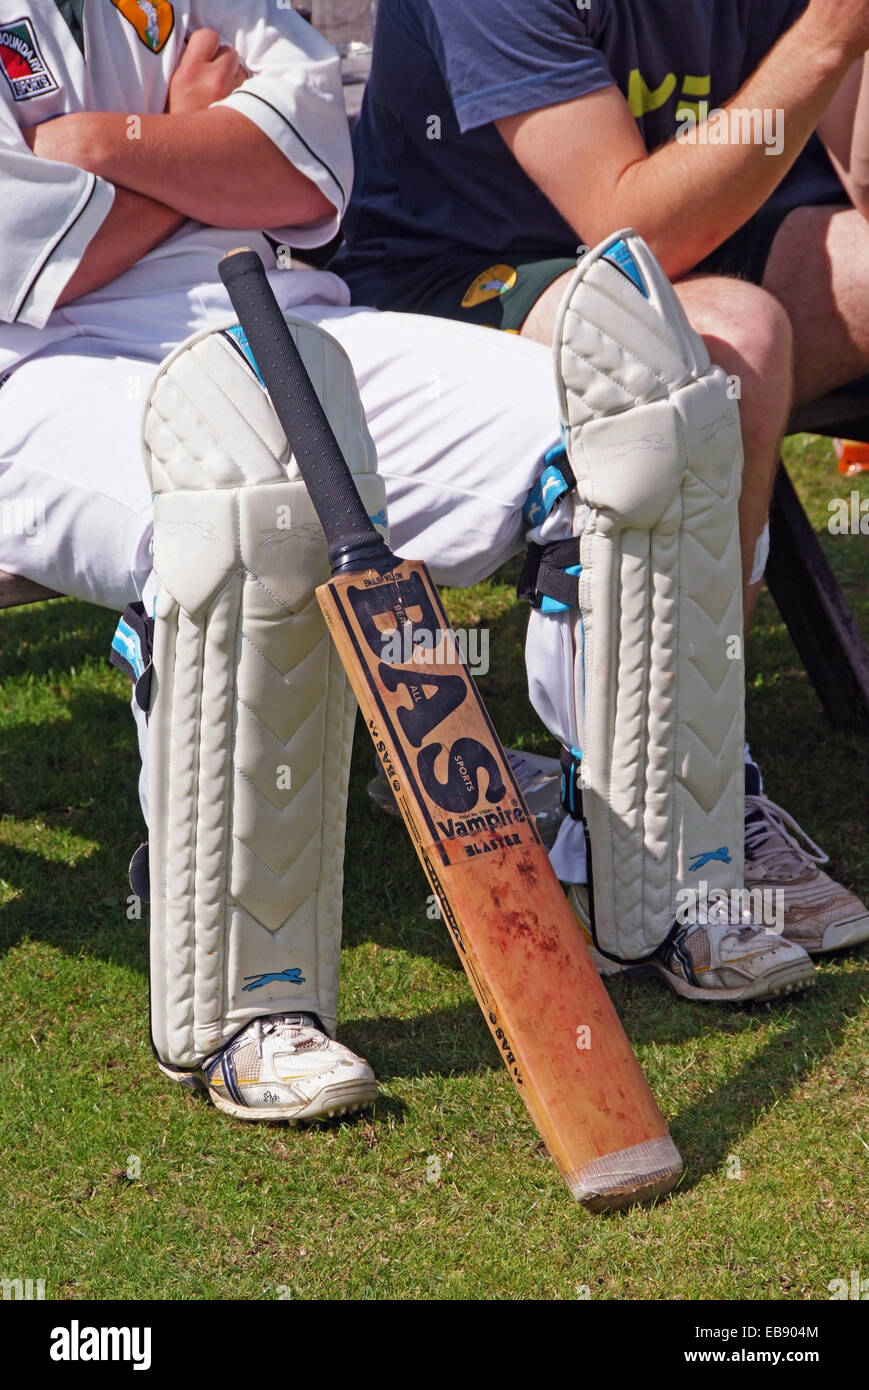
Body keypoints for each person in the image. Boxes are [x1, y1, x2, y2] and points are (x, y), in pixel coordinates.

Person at [0, 3, 813, 1145]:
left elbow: (308, 163)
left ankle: (651, 877)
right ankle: (250, 1008)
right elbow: (28, 247)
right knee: (248, 513)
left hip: (287, 315)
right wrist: (192, 143)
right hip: (35, 368)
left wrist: (100, 148)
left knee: (644, 421)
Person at [334, 0, 869, 962]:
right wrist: (830, 32)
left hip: (696, 240)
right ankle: (689, 794)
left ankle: (678, 753)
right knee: (722, 351)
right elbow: (630, 222)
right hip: (460, 287)